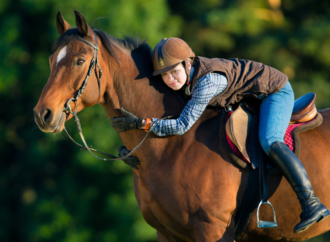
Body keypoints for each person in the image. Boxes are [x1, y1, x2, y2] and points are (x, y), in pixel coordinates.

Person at [110, 37, 330, 233]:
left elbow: (182, 124)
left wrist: (144, 124)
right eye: (164, 75)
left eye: (174, 71)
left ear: (188, 63)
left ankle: (311, 203)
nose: (170, 80)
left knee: (269, 140)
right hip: (250, 94)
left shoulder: (207, 82)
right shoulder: (186, 81)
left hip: (274, 91)